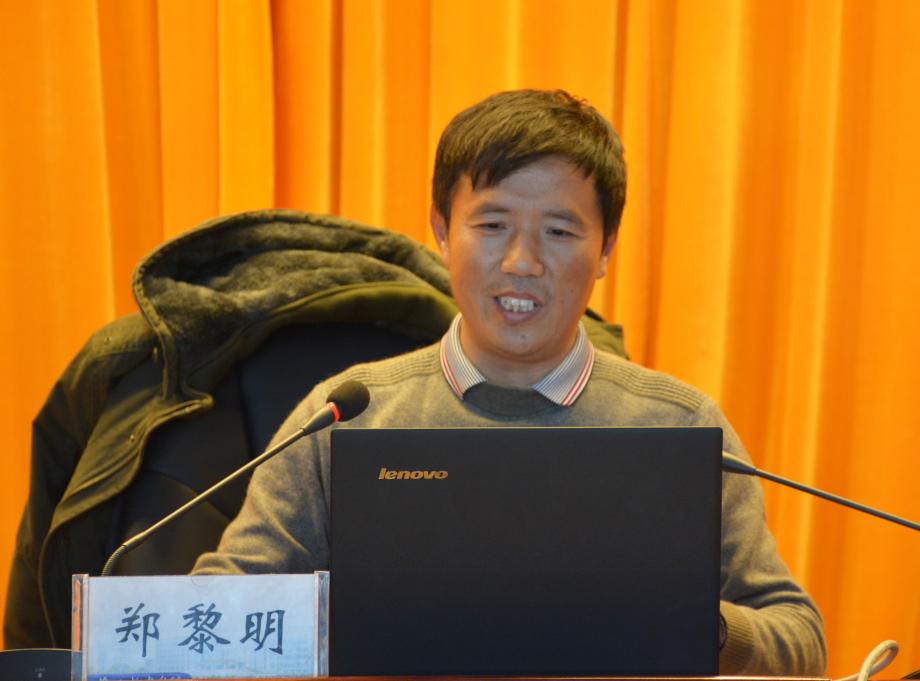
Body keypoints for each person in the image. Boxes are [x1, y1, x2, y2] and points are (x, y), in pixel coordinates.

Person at [193, 89, 827, 675]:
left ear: (606, 250)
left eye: (559, 232)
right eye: (492, 226)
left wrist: (696, 623)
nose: (522, 263)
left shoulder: (679, 426)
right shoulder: (348, 416)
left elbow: (800, 640)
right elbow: (216, 612)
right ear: (443, 232)